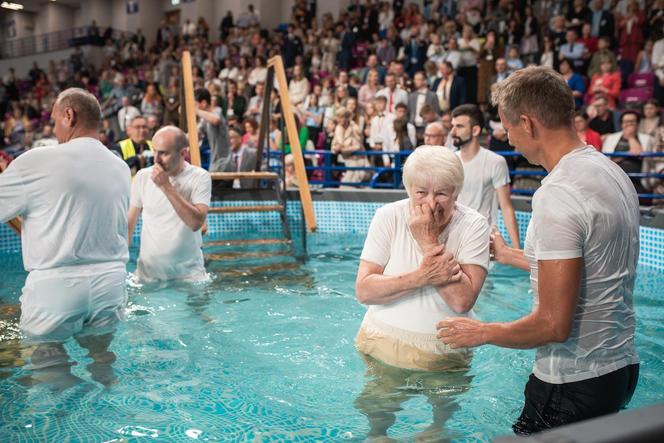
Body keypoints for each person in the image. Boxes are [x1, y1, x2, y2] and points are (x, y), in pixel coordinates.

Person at [438, 66, 640, 435]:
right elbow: (591, 266)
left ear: (528, 124)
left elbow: (552, 325)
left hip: (571, 382)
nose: (509, 138)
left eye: (509, 128)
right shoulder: (612, 173)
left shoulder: (558, 194)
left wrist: (480, 332)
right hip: (620, 368)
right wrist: (508, 255)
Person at [354, 145, 489, 439]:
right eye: (420, 193)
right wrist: (420, 277)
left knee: (442, 407)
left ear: (456, 192)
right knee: (377, 408)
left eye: (441, 193)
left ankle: (437, 428)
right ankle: (377, 434)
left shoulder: (474, 225)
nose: (431, 203)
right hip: (383, 341)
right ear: (408, 190)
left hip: (444, 351)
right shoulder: (388, 216)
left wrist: (427, 240)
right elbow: (364, 290)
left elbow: (462, 300)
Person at [0, 88, 131, 389]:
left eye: (56, 119)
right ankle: (107, 394)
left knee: (47, 364)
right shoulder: (121, 167)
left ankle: (76, 412)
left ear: (69, 115)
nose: (55, 128)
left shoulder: (37, 161)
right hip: (110, 284)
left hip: (57, 287)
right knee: (101, 356)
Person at [128, 126, 211, 283]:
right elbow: (128, 226)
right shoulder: (143, 176)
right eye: (155, 151)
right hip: (147, 277)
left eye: (164, 153)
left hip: (189, 278)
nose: (156, 159)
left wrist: (165, 186)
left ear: (183, 153)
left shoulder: (200, 177)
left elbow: (196, 223)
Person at [451, 104, 520, 247]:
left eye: (459, 126)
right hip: (455, 238)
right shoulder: (450, 160)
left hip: (483, 239)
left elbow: (506, 207)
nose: (453, 132)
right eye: (453, 126)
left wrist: (517, 249)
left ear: (475, 130)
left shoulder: (495, 161)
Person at [195, 88, 232, 174]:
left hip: (224, 164)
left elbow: (216, 120)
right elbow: (195, 133)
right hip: (215, 165)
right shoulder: (204, 119)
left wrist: (196, 111)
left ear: (203, 103)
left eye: (195, 104)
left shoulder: (217, 111)